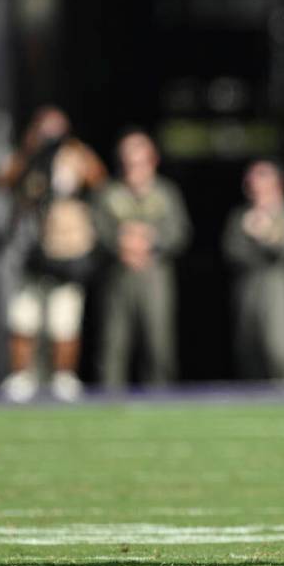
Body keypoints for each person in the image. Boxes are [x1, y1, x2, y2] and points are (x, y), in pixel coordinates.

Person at [0, 106, 107, 402]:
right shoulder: (27, 157)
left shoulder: (74, 156)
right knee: (24, 317)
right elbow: (4, 180)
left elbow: (99, 179)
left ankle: (63, 376)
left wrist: (74, 154)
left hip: (65, 248)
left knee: (64, 319)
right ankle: (21, 376)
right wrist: (32, 151)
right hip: (32, 249)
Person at [94, 129, 191, 390]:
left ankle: (160, 398)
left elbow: (180, 232)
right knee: (113, 344)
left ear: (152, 161)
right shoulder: (109, 193)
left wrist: (151, 240)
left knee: (158, 343)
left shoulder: (166, 193)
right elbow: (98, 231)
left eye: (138, 162)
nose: (132, 168)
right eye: (127, 162)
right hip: (119, 277)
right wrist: (120, 243)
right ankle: (109, 401)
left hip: (155, 275)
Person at [221, 159, 284, 381]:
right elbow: (232, 252)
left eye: (260, 175)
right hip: (247, 291)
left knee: (281, 353)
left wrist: (264, 235)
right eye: (250, 177)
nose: (251, 182)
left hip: (279, 292)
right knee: (249, 353)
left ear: (278, 182)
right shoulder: (239, 216)